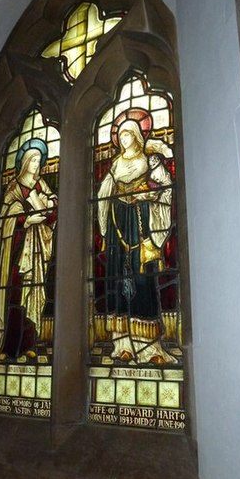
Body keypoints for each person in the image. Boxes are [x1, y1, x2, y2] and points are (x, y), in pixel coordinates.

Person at [97, 120, 175, 365]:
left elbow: (166, 187)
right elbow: (102, 195)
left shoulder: (149, 160)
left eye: (128, 134)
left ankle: (149, 348)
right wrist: (104, 221)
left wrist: (150, 196)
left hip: (140, 223)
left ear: (137, 136)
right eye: (120, 135)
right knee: (119, 281)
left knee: (142, 281)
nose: (123, 139)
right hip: (117, 225)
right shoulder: (115, 165)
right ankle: (122, 344)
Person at [0, 138, 57, 360]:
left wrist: (50, 206)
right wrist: (25, 221)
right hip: (18, 251)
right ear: (25, 161)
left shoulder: (42, 185)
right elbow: (6, 217)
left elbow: (53, 210)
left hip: (37, 249)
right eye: (34, 159)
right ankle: (9, 346)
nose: (37, 164)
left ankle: (30, 343)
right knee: (16, 294)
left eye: (40, 160)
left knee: (33, 296)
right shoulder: (14, 187)